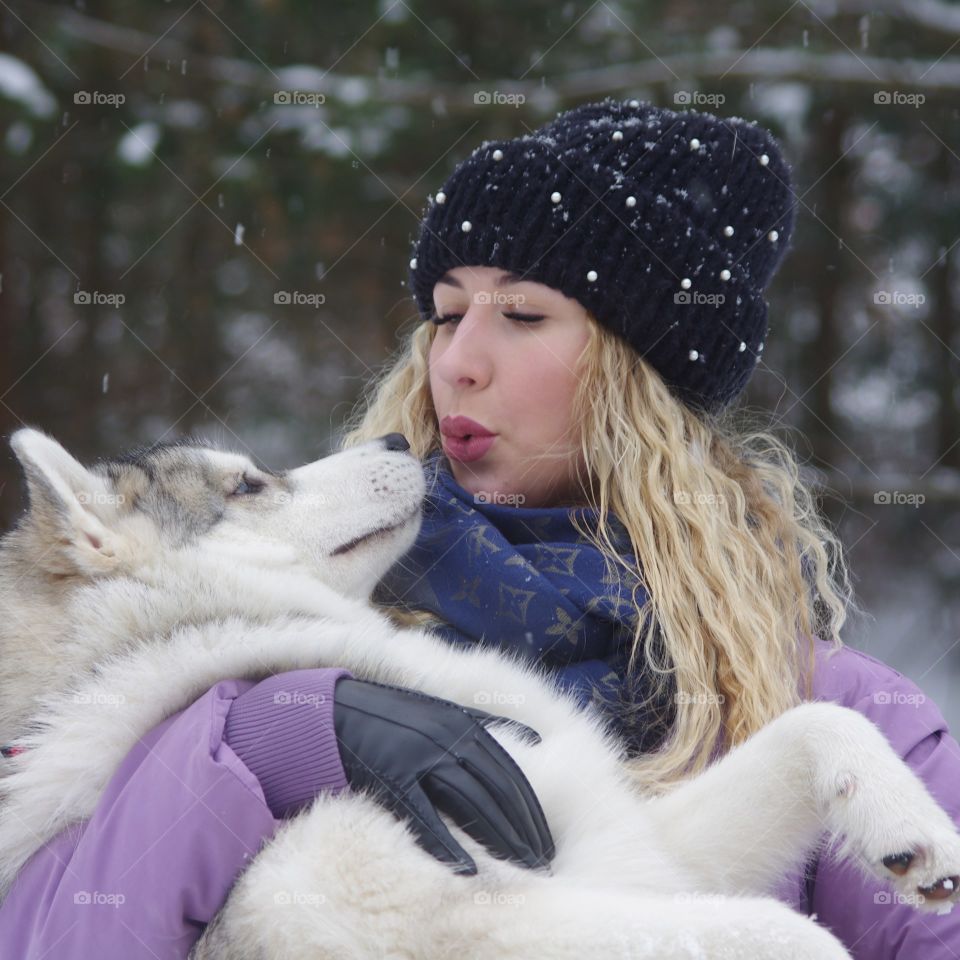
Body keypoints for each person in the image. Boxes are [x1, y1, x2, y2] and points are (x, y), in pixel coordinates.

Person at [3, 98, 958, 959]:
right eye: (447, 312)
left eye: (524, 315)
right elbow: (52, 935)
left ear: (637, 377)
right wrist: (257, 743)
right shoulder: (205, 673)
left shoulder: (832, 705)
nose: (456, 360)